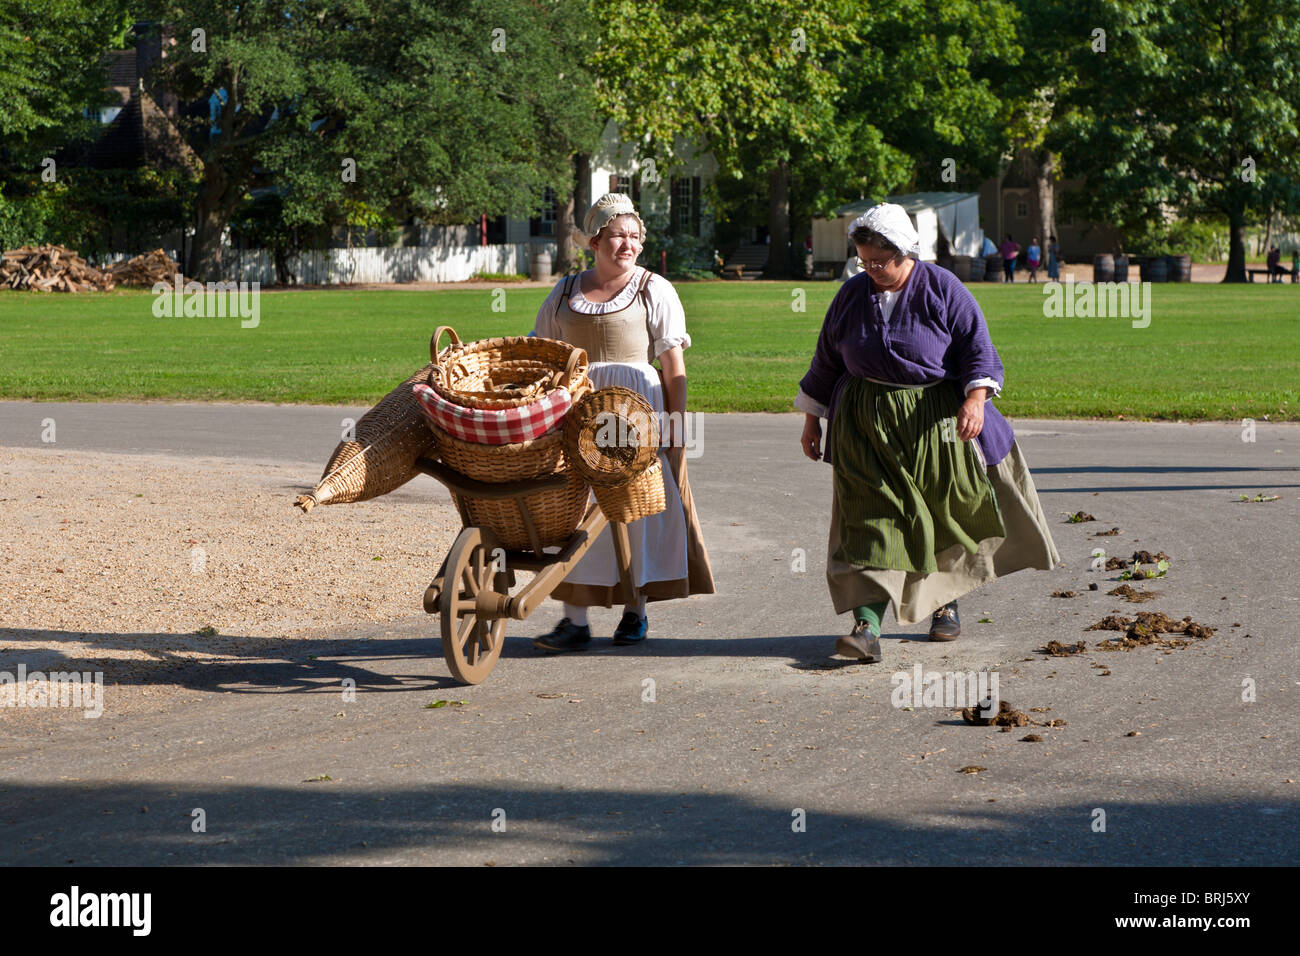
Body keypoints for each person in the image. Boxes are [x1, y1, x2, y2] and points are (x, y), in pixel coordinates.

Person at [795, 203, 1060, 662]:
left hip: (932, 422)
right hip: (864, 423)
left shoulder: (943, 288)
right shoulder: (851, 295)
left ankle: (944, 603)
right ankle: (868, 626)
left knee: (936, 513)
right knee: (870, 517)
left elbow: (978, 347)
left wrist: (975, 400)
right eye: (864, 261)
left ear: (906, 252)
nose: (871, 270)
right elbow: (827, 361)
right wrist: (811, 419)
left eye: (880, 261)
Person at [530, 193, 714, 651]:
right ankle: (575, 620)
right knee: (575, 508)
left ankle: (636, 610)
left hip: (636, 413)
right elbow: (543, 356)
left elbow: (673, 367)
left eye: (634, 236)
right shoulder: (565, 291)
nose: (627, 244)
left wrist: (675, 423)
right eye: (617, 236)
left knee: (634, 507)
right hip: (579, 413)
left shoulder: (654, 289)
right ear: (594, 241)